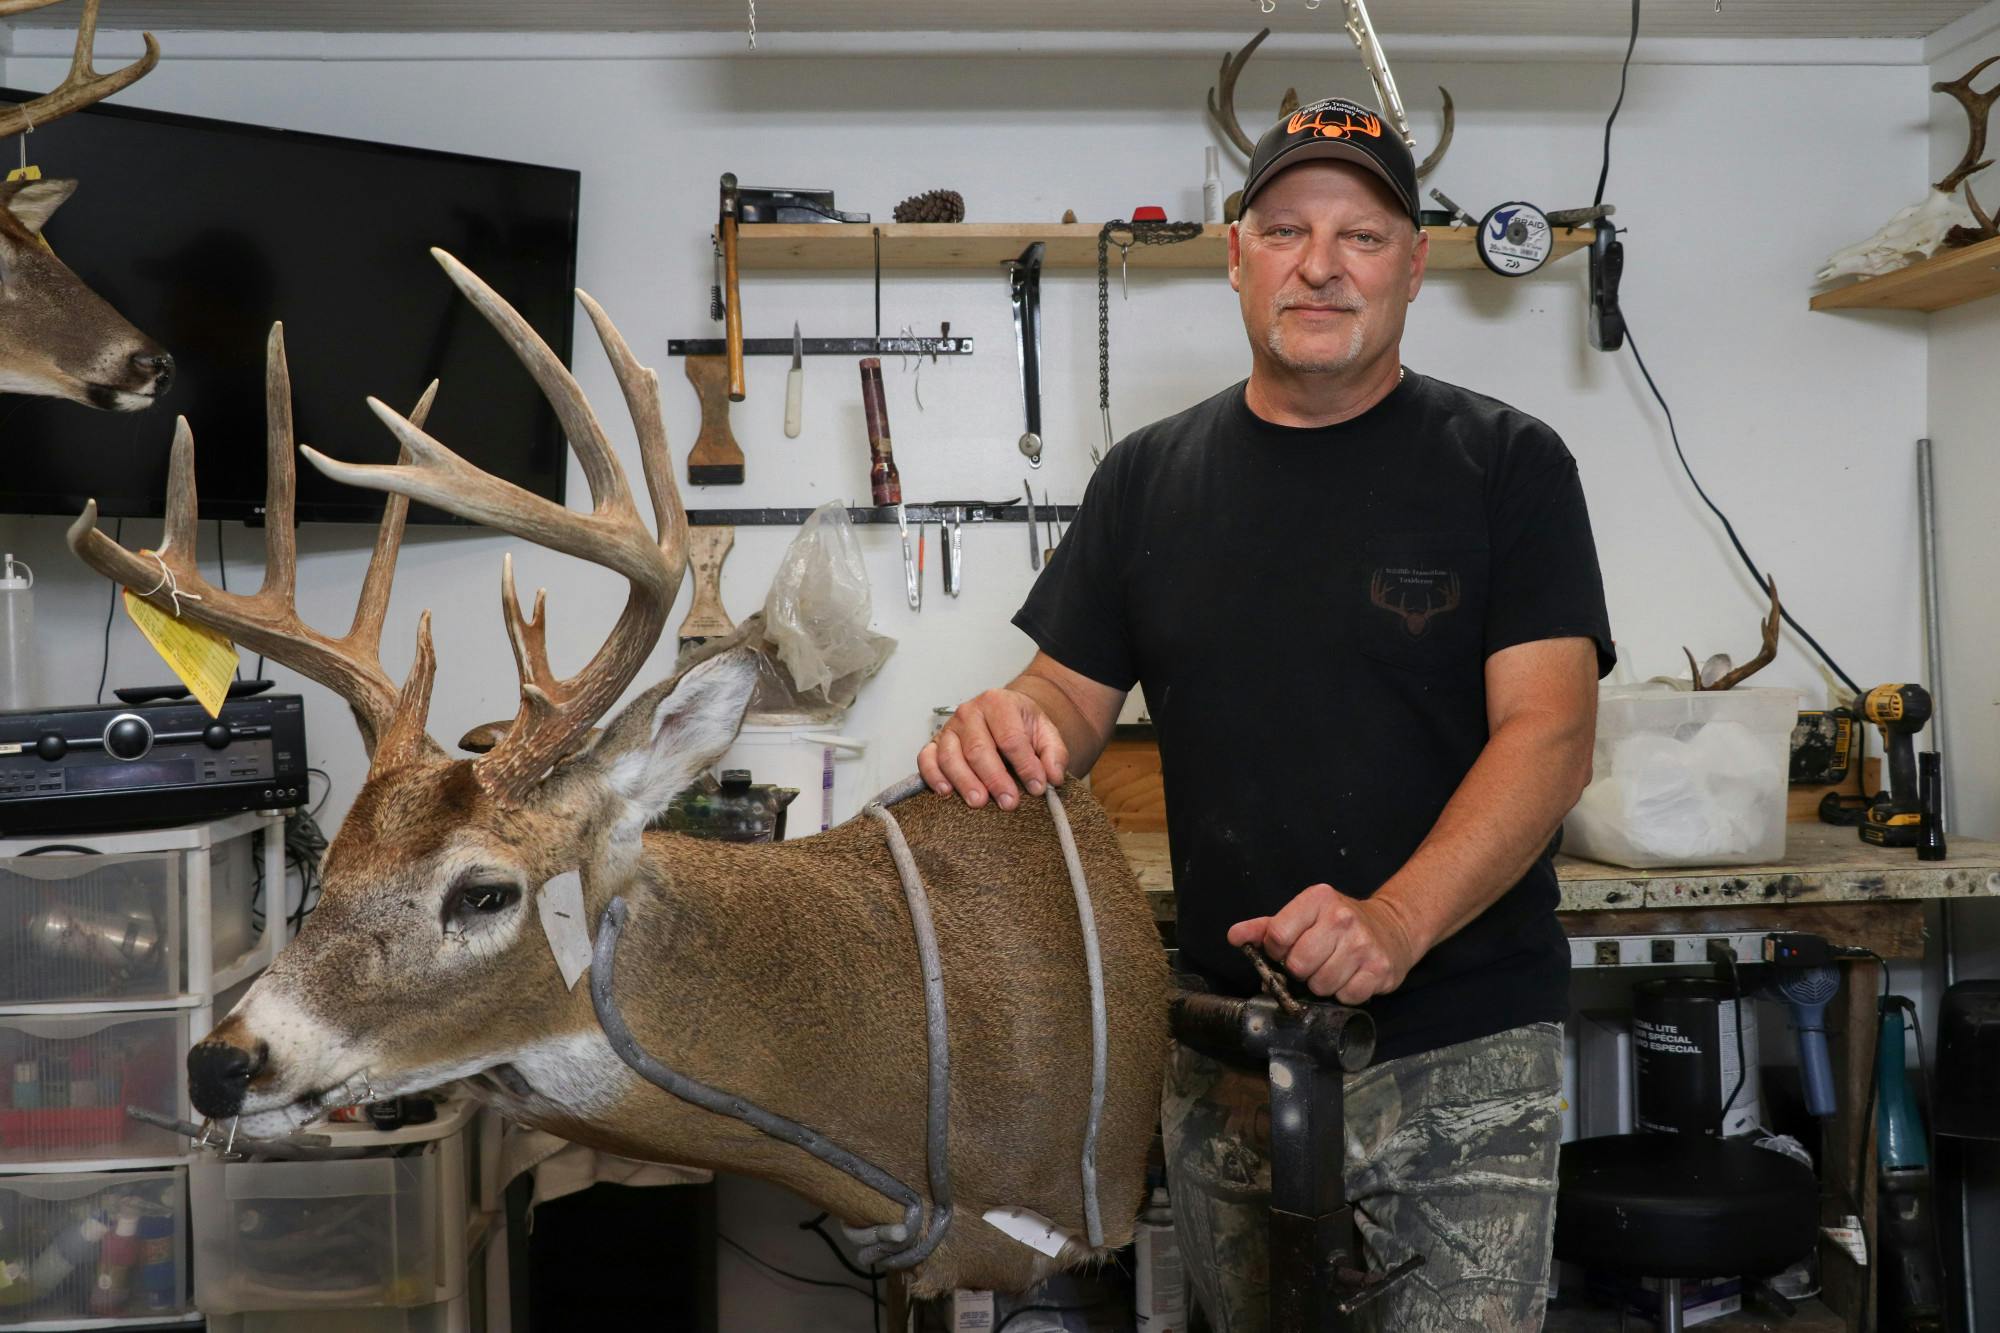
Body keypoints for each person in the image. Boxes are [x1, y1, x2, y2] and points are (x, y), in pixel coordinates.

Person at [920, 96, 1615, 1330]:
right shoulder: (1146, 478)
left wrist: (1393, 920)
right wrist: (1005, 725)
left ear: (1412, 266)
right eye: (1285, 230)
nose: (1320, 264)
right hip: (1227, 1040)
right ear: (1236, 258)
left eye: (1361, 235)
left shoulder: (1508, 464)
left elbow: (1549, 734)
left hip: (1461, 1043)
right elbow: (1062, 697)